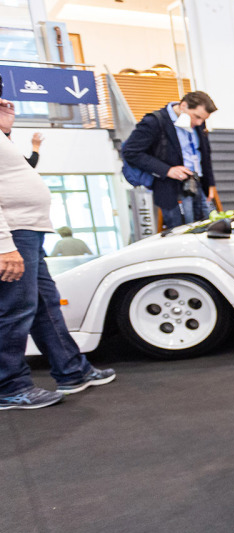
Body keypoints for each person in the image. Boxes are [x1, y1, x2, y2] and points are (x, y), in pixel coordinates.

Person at [0, 78, 114, 411]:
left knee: (44, 306)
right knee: (14, 310)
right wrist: (4, 245)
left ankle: (71, 370)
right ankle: (10, 386)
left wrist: (6, 130)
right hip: (14, 232)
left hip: (29, 230)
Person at [121, 91, 218, 229]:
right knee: (182, 234)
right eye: (196, 117)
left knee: (208, 229)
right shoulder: (154, 122)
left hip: (197, 185)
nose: (199, 122)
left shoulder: (198, 123)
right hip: (171, 188)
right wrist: (167, 170)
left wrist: (210, 184)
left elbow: (205, 154)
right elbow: (130, 152)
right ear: (183, 106)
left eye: (203, 119)